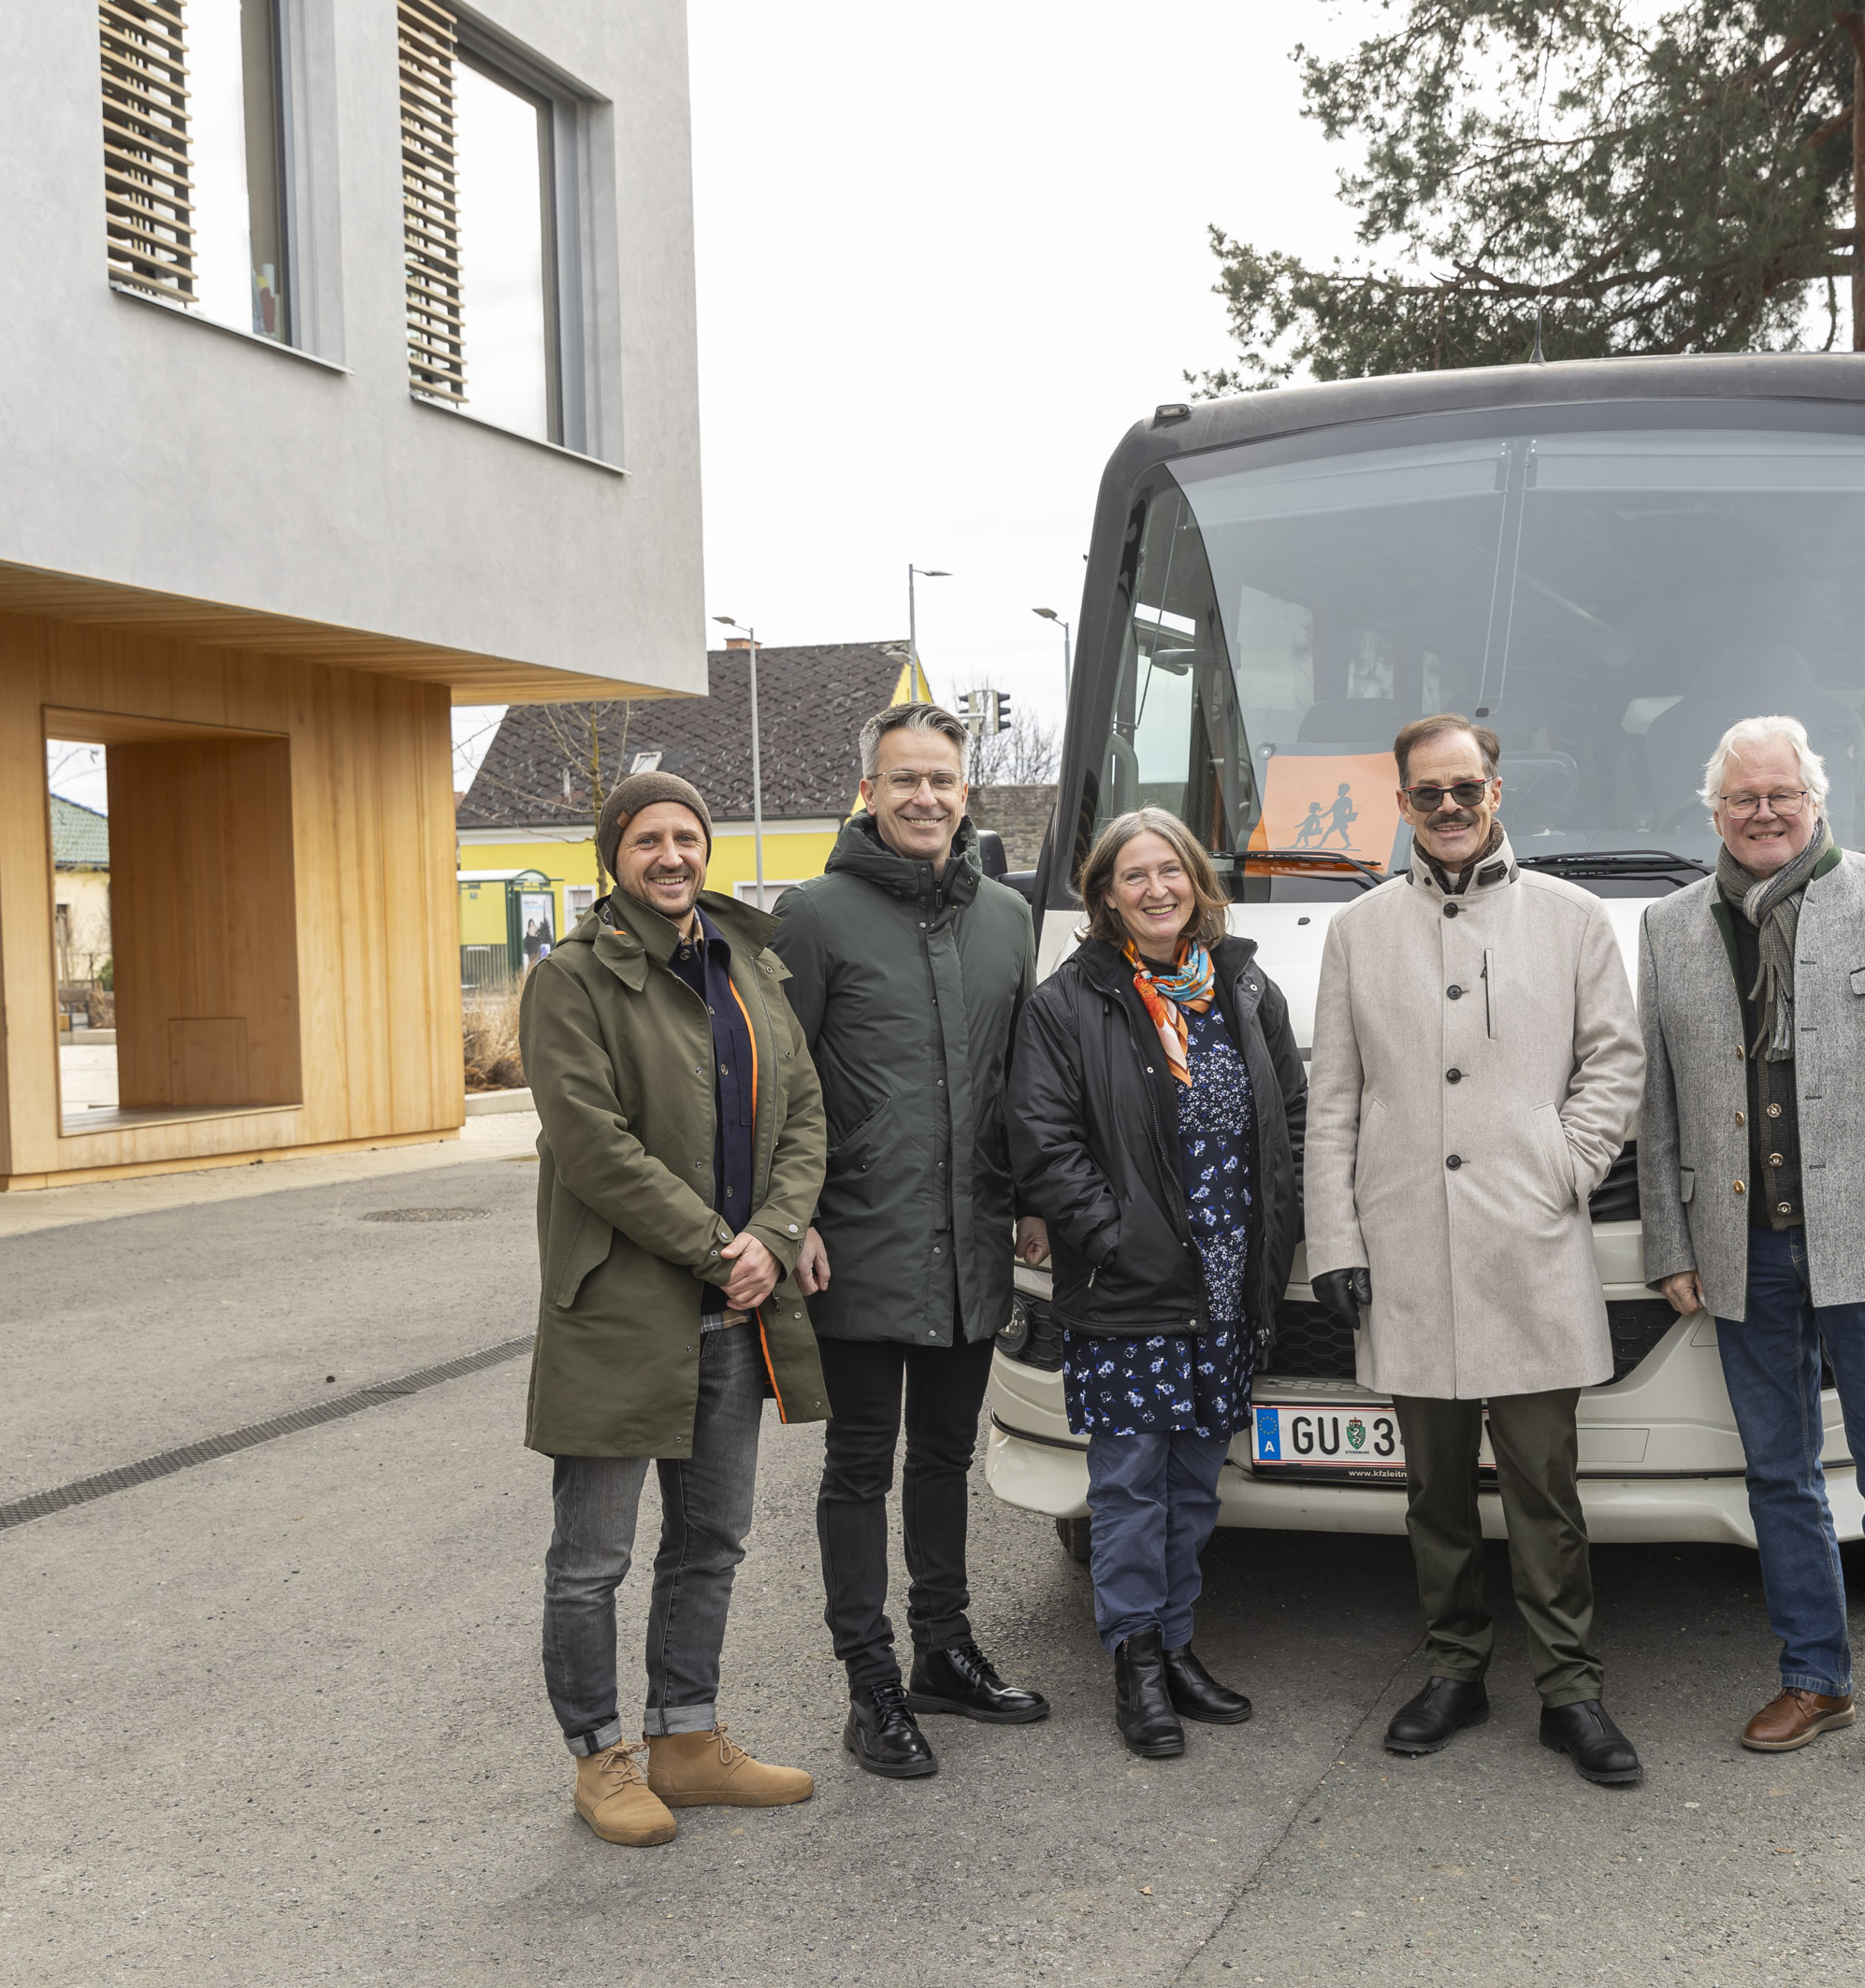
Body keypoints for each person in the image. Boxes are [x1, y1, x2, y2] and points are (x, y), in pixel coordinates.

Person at [1635, 714, 1865, 1783]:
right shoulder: (1668, 927)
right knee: (1779, 1476)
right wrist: (1671, 1240)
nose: (1763, 812)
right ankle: (1815, 1679)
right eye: (1742, 798)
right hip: (1739, 1248)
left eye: (1780, 793)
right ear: (1714, 811)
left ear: (1815, 797)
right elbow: (1658, 1107)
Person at [1303, 715, 1647, 1787]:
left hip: (1531, 1241)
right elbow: (1336, 1100)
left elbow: (1614, 1065)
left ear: (1498, 792)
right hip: (1403, 1247)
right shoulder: (1359, 930)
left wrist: (1562, 1165)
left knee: (1546, 1485)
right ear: (1401, 804)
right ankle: (1455, 1667)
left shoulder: (1573, 917)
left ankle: (1571, 1688)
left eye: (1466, 790)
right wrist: (1336, 1237)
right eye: (1427, 795)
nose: (1448, 810)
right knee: (1433, 1486)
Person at [520, 771, 829, 1846]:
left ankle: (686, 1742)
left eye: (685, 836)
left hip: (734, 1310)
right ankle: (602, 1754)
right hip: (622, 1310)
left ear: (707, 849)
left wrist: (776, 1237)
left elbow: (805, 1117)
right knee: (591, 1558)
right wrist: (718, 1246)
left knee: (711, 1540)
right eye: (646, 838)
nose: (670, 855)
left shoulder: (749, 964)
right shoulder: (570, 979)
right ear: (613, 855)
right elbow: (594, 1146)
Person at [768, 702, 1049, 1779]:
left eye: (942, 779)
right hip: (856, 1240)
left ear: (965, 793)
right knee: (858, 1465)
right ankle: (870, 1681)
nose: (925, 797)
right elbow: (775, 1083)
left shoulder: (1007, 919)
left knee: (942, 1455)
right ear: (870, 794)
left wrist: (1026, 1193)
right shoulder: (814, 915)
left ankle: (944, 1650)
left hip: (971, 1234)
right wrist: (792, 1219)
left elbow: (1025, 1072)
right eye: (904, 781)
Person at [1006, 806, 1306, 1759]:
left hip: (1226, 1284)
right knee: (1130, 1488)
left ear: (1196, 882)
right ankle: (1135, 1663)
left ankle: (1177, 1645)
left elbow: (1288, 1115)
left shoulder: (1245, 988)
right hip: (1131, 1284)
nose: (1155, 889)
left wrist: (1276, 1232)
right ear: (1103, 896)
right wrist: (1110, 1235)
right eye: (1132, 876)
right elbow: (1043, 1141)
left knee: (1194, 1483)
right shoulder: (1069, 1001)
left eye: (1169, 870)